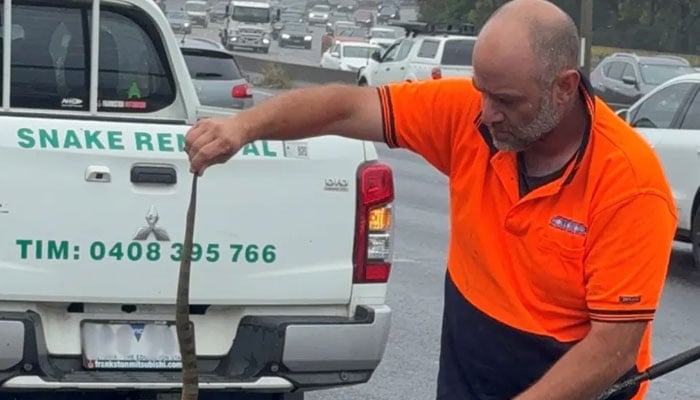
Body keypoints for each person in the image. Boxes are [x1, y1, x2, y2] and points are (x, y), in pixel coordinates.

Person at [184, 0, 678, 399]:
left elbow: (613, 348)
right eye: (482, 91)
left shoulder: (628, 184)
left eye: (506, 100)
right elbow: (345, 108)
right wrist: (242, 128)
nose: (487, 114)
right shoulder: (469, 116)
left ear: (565, 88)